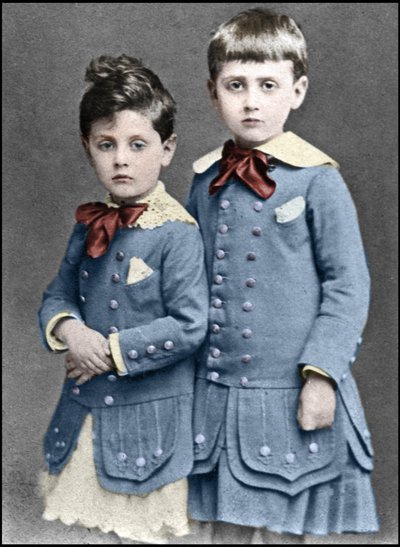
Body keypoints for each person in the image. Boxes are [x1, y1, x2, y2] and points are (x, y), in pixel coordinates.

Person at [186, 8, 379, 537]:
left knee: (285, 529)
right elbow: (190, 284)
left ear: (297, 91)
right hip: (217, 396)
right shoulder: (204, 181)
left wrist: (322, 375)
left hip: (292, 390)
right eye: (236, 85)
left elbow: (348, 286)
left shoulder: (319, 181)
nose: (251, 101)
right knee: (221, 530)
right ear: (213, 93)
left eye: (267, 85)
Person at [37, 54, 208, 544]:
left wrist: (111, 351)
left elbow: (190, 325)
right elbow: (58, 293)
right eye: (106, 144)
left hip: (148, 423)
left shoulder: (177, 233)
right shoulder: (88, 224)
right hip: (86, 413)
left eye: (137, 144)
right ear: (87, 147)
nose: (121, 160)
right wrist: (71, 330)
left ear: (166, 148)